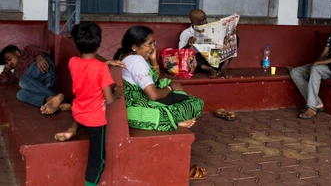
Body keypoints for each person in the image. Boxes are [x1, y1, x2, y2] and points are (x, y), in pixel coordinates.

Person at [54, 22, 124, 186]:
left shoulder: (72, 62)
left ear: (76, 43)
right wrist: (117, 93)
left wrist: (104, 64)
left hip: (78, 112)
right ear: (99, 43)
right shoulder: (101, 69)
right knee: (97, 158)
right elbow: (109, 99)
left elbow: (87, 68)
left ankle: (72, 131)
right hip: (95, 121)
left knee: (80, 112)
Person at [114, 25, 204, 131]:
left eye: (153, 43)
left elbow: (154, 79)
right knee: (195, 103)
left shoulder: (122, 56)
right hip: (138, 109)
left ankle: (174, 119)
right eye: (149, 44)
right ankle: (173, 121)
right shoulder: (137, 60)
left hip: (129, 105)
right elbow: (154, 95)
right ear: (134, 47)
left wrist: (153, 60)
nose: (153, 48)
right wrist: (171, 87)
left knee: (179, 97)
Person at [0, 44, 68, 114]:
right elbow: (3, 80)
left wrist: (39, 57)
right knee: (20, 94)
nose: (9, 63)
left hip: (44, 67)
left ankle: (58, 100)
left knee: (22, 82)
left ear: (17, 53)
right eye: (6, 63)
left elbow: (41, 51)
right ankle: (53, 100)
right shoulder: (16, 73)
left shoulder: (26, 50)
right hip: (44, 85)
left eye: (9, 59)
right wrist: (6, 69)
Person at [179, 9, 237, 78]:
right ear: (194, 22)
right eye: (202, 20)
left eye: (206, 19)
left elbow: (223, 43)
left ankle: (223, 68)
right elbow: (180, 53)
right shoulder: (186, 33)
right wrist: (188, 45)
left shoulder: (212, 29)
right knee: (192, 56)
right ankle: (209, 69)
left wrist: (231, 35)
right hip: (200, 63)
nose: (206, 22)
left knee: (235, 38)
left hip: (214, 56)